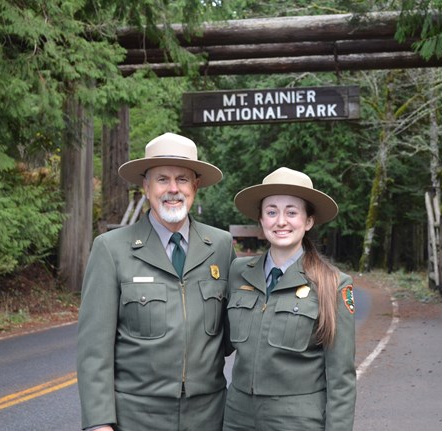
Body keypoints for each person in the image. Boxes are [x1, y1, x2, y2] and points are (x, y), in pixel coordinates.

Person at [77, 132, 236, 431]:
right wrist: (99, 423)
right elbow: (94, 349)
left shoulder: (221, 246)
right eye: (162, 179)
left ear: (196, 186)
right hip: (137, 418)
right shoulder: (111, 249)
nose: (173, 189)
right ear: (146, 186)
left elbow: (234, 334)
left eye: (183, 179)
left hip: (208, 417)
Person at [223, 167, 356, 431]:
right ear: (261, 220)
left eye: (292, 212)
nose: (281, 221)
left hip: (297, 421)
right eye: (271, 212)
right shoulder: (239, 273)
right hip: (237, 419)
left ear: (308, 221)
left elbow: (341, 379)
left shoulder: (332, 284)